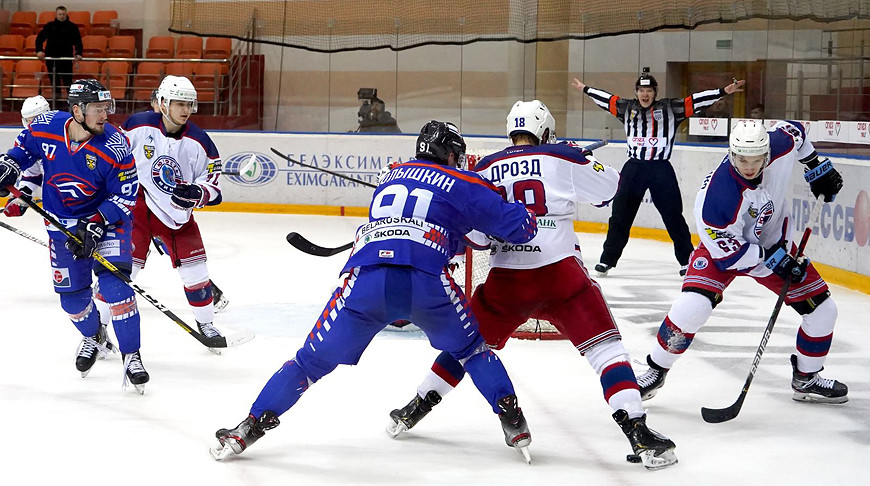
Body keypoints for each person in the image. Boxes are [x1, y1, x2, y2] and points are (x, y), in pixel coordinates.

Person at [210, 120, 540, 462]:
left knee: (308, 363)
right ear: (452, 153)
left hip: (367, 282)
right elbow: (522, 228)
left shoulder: (391, 175)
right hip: (427, 282)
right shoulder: (463, 181)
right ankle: (512, 420)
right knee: (471, 349)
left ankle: (248, 428)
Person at [385, 101, 678, 470]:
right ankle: (638, 430)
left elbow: (476, 237)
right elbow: (610, 189)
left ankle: (416, 407)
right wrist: (577, 159)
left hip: (506, 282)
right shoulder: (560, 155)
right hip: (561, 277)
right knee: (606, 350)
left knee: (468, 347)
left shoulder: (484, 168)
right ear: (545, 130)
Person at [635, 119, 848, 405]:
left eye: (757, 160)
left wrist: (814, 164)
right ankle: (655, 370)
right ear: (732, 154)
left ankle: (806, 377)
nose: (749, 166)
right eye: (742, 159)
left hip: (775, 243)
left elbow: (796, 129)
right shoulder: (717, 196)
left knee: (824, 311)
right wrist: (776, 263)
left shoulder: (779, 145)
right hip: (724, 249)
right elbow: (731, 255)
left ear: (767, 154)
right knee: (693, 305)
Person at [0, 79, 148, 391]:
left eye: (106, 108)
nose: (104, 115)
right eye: (97, 108)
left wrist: (97, 222)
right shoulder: (45, 126)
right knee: (72, 301)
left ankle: (131, 355)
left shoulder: (116, 146)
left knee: (115, 287)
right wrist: (10, 166)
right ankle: (95, 336)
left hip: (106, 224)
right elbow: (23, 149)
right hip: (61, 223)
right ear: (77, 110)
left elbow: (125, 196)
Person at [572, 69, 746, 277]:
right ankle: (607, 259)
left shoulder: (671, 108)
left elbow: (697, 100)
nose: (645, 94)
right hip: (634, 168)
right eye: (641, 90)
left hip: (660, 169)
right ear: (636, 92)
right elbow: (606, 98)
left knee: (673, 216)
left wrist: (723, 91)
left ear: (655, 92)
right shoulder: (626, 108)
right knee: (620, 216)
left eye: (649, 90)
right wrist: (585, 89)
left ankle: (686, 260)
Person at [113, 75, 226, 345]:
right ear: (163, 103)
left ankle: (207, 324)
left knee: (197, 272)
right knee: (119, 273)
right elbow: (113, 156)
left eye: (190, 104)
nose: (186, 110)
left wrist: (198, 192)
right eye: (179, 104)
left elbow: (212, 185)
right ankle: (98, 329)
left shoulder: (200, 141)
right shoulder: (137, 125)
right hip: (138, 210)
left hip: (177, 215)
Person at [2, 95, 51, 218]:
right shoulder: (25, 140)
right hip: (54, 204)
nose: (31, 125)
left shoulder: (66, 135)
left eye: (34, 120)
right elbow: (32, 176)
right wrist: (22, 195)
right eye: (28, 120)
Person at [35, 6, 83, 101]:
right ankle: (56, 104)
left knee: (68, 82)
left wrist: (78, 53)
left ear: (66, 14)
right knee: (54, 83)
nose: (62, 16)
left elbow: (78, 41)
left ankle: (71, 104)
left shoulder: (72, 27)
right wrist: (39, 51)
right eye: (60, 14)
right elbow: (39, 39)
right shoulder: (49, 26)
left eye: (63, 14)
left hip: (66, 59)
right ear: (56, 15)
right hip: (52, 59)